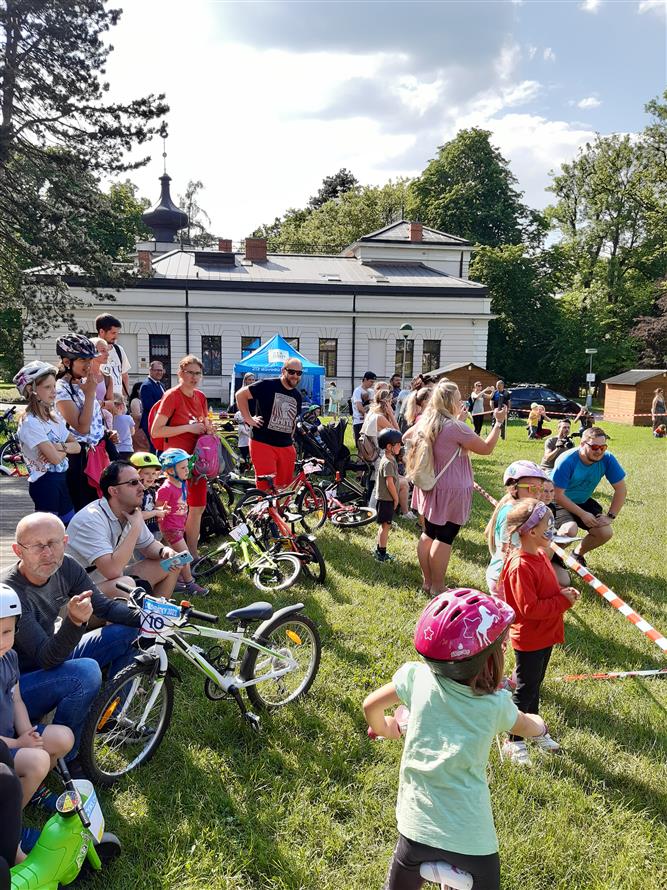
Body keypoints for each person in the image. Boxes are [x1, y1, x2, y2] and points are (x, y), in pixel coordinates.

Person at [363, 588, 550, 890]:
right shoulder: (495, 705)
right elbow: (527, 726)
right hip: (471, 837)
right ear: (488, 660)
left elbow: (370, 705)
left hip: (415, 830)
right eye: (502, 647)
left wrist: (386, 728)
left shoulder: (416, 677)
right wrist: (541, 726)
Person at [0, 513, 144, 777]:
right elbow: (47, 658)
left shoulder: (66, 566)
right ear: (18, 550)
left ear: (65, 542)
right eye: (37, 546)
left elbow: (105, 607)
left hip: (52, 654)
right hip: (16, 683)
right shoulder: (11, 592)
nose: (48, 553)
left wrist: (148, 616)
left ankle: (110, 718)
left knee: (129, 630)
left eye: (54, 543)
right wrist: (75, 621)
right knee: (85, 673)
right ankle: (70, 757)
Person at [406, 379, 508, 596]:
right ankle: (438, 586)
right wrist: (498, 423)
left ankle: (427, 581)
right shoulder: (456, 428)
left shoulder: (426, 421)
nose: (461, 403)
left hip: (428, 484)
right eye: (458, 400)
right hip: (451, 489)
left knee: (428, 533)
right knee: (445, 538)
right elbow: (487, 448)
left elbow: (407, 437)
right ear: (450, 401)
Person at [499, 499, 580, 766]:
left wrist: (561, 594)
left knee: (535, 685)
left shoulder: (541, 555)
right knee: (524, 689)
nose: (552, 528)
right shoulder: (521, 565)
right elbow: (528, 608)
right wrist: (563, 601)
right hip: (531, 637)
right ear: (531, 531)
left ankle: (533, 727)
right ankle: (514, 740)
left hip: (546, 632)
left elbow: (544, 593)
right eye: (548, 524)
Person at [0, 583, 74, 814]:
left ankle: (26, 794)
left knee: (63, 737)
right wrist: (19, 744)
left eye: (7, 632)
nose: (1, 641)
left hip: (11, 741)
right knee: (38, 760)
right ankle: (7, 830)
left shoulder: (9, 657)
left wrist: (25, 733)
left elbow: (16, 699)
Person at [65, 460, 182, 599]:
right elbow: (112, 571)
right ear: (113, 491)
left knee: (172, 562)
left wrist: (165, 551)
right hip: (76, 595)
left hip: (107, 580)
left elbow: (148, 545)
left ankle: (155, 616)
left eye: (140, 481)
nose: (142, 487)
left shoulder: (130, 511)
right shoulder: (90, 519)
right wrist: (135, 527)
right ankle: (143, 617)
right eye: (133, 483)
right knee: (125, 586)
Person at [150, 355, 215, 557]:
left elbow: (204, 422)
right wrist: (189, 427)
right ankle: (165, 553)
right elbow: (156, 431)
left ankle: (192, 554)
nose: (194, 377)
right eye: (190, 373)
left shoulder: (201, 397)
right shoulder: (172, 396)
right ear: (180, 374)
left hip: (198, 462)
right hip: (176, 463)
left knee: (197, 507)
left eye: (198, 373)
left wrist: (208, 428)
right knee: (175, 511)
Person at [13, 362, 80, 524]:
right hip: (45, 483)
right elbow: (55, 459)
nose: (54, 391)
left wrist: (57, 447)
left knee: (68, 529)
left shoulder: (54, 418)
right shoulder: (30, 422)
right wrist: (63, 450)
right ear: (31, 389)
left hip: (61, 480)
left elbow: (77, 446)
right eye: (48, 387)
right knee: (48, 533)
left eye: (54, 386)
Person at [552, 426, 626, 566]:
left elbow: (621, 489)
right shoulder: (567, 460)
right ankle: (550, 558)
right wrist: (583, 514)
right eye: (594, 447)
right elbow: (557, 495)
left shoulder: (607, 459)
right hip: (558, 502)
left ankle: (576, 555)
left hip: (582, 501)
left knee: (605, 532)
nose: (599, 451)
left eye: (602, 447)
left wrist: (610, 516)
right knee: (569, 530)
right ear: (582, 444)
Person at [54, 334, 112, 511]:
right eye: (82, 360)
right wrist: (90, 394)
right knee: (85, 508)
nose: (88, 365)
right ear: (66, 361)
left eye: (90, 359)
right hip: (78, 457)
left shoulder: (84, 382)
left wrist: (105, 432)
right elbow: (82, 428)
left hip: (98, 450)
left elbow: (92, 420)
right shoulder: (61, 389)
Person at [235, 359, 303, 492]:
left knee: (284, 487)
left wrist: (291, 439)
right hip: (263, 443)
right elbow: (240, 395)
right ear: (283, 371)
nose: (295, 375)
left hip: (286, 445)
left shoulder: (297, 396)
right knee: (266, 487)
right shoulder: (268, 385)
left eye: (299, 373)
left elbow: (293, 420)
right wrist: (248, 419)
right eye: (291, 371)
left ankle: (279, 512)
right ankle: (267, 512)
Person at [485, 461, 550, 597]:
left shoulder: (523, 509)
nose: (538, 493)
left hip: (510, 575)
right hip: (504, 579)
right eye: (532, 488)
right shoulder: (511, 514)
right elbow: (507, 550)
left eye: (541, 488)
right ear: (514, 488)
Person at [156, 449, 208, 596]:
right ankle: (190, 583)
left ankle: (173, 579)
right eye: (183, 468)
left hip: (179, 526)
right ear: (171, 470)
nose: (187, 470)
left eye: (187, 467)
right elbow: (158, 508)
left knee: (176, 556)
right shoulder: (165, 489)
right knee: (185, 555)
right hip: (170, 528)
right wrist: (162, 524)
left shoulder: (182, 484)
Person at [361, 386, 414, 518]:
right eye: (391, 402)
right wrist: (391, 414)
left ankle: (373, 512)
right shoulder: (380, 417)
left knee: (380, 486)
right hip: (379, 456)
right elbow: (398, 434)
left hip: (371, 455)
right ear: (386, 403)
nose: (393, 404)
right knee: (380, 487)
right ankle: (373, 513)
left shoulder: (371, 413)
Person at [373, 429, 403, 562]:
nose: (400, 446)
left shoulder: (390, 459)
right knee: (386, 526)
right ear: (389, 447)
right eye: (398, 444)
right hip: (387, 499)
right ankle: (382, 554)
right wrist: (396, 498)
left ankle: (379, 549)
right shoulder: (388, 463)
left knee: (383, 525)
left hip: (385, 499)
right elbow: (389, 482)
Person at [129, 451, 165, 537]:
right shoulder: (134, 493)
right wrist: (156, 512)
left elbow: (148, 508)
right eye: (146, 473)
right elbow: (137, 515)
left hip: (153, 530)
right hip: (139, 535)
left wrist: (159, 509)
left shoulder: (151, 490)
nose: (151, 477)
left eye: (153, 473)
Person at [95, 313, 131, 398]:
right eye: (113, 333)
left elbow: (124, 376)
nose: (116, 337)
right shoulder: (91, 350)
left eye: (117, 333)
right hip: (101, 403)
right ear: (102, 331)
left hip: (118, 403)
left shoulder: (119, 350)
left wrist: (124, 399)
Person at [139, 361, 166, 451]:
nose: (159, 372)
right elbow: (148, 406)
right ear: (150, 371)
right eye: (157, 370)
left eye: (161, 370)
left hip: (160, 421)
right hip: (150, 422)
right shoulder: (146, 385)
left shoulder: (161, 385)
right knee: (154, 448)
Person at [351, 371, 377, 446]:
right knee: (361, 448)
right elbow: (359, 407)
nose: (372, 384)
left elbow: (373, 405)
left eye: (373, 382)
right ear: (365, 379)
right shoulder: (357, 391)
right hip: (359, 421)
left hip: (369, 421)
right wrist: (367, 416)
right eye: (371, 381)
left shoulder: (371, 391)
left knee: (369, 446)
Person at [88, 337, 114, 411]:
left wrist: (101, 404)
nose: (107, 354)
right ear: (92, 352)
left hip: (101, 420)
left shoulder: (107, 378)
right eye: (103, 351)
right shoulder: (80, 376)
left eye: (107, 350)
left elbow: (111, 402)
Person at [111, 395, 135, 459]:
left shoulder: (109, 419)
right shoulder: (128, 418)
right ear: (122, 406)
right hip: (127, 448)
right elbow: (132, 432)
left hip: (113, 449)